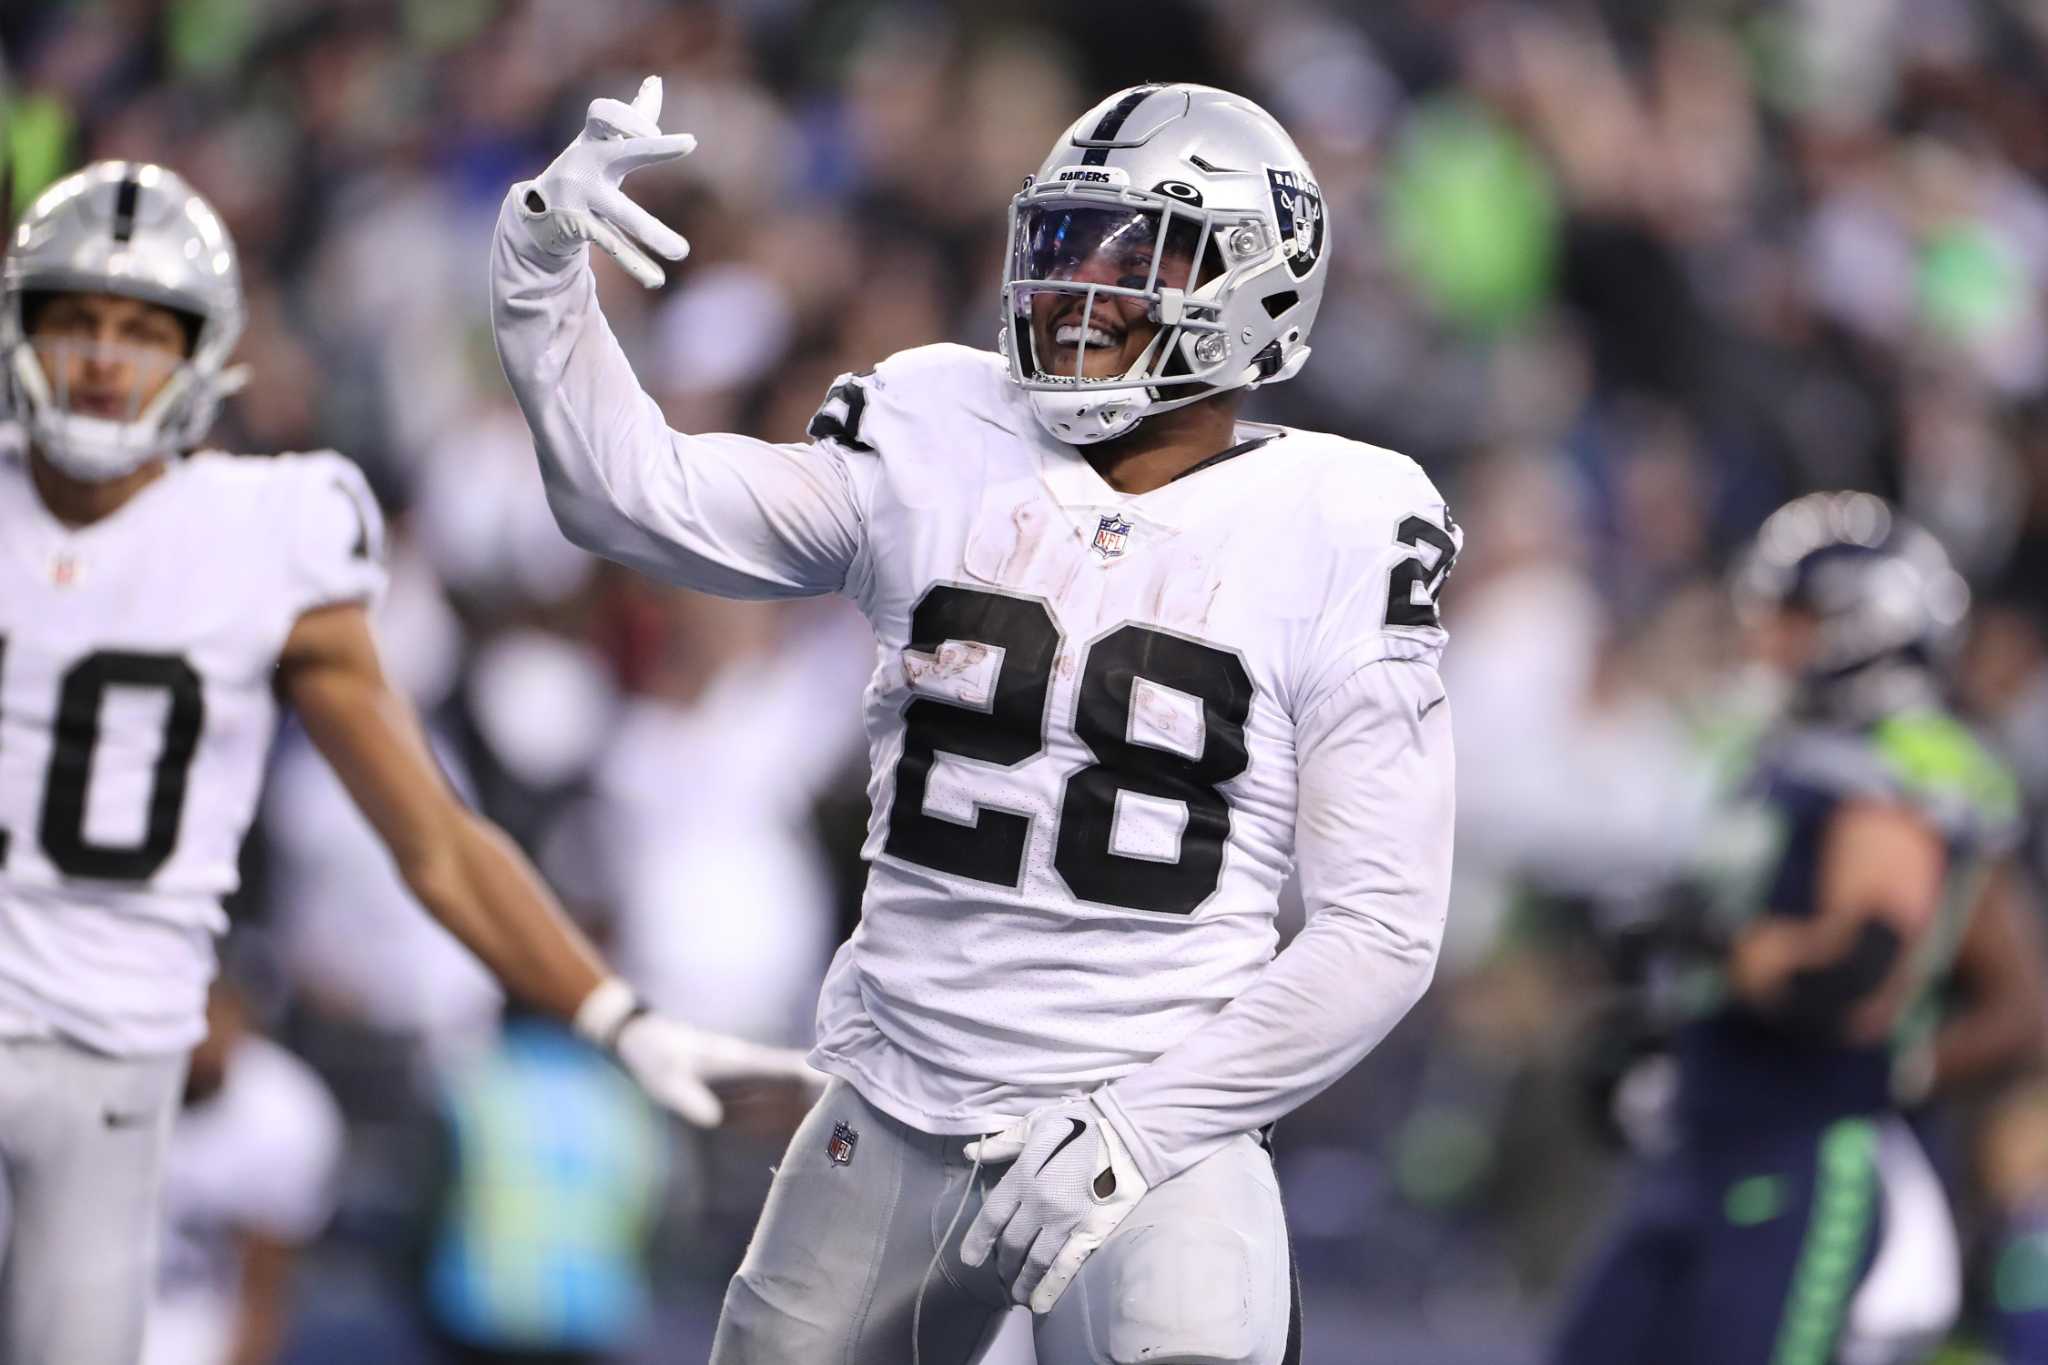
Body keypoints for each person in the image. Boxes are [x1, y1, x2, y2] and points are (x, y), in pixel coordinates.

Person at [493, 78, 1460, 1365]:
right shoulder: (934, 425)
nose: (1077, 289)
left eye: (1134, 257)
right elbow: (633, 499)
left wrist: (1141, 1128)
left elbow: (1381, 928)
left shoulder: (1340, 517)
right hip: (899, 1100)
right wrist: (542, 267)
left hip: (1154, 1124)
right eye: (1062, 245)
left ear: (1251, 285)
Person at [0, 160, 814, 1365]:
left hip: (119, 1052)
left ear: (202, 354)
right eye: (75, 321)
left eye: (138, 328)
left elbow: (432, 836)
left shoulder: (268, 528)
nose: (105, 359)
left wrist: (610, 1014)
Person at [1550, 491, 2045, 1365]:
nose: (1766, 638)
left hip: (1811, 1145)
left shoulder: (1911, 770)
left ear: (1867, 624)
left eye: (1795, 616)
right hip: (1706, 1137)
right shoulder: (1769, 755)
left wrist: (1901, 1062)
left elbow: (1856, 978)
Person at [145, 976, 344, 1365]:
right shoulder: (94, 1079)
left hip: (197, 1332)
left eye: (217, 1011)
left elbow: (263, 1292)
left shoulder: (285, 1113)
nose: (204, 1031)